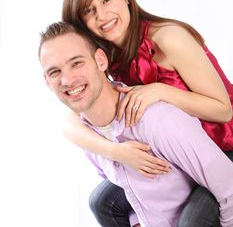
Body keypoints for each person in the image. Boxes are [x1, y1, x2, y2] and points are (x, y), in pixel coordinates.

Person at [61, 0, 233, 226]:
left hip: (223, 150)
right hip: (173, 155)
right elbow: (70, 123)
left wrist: (160, 91)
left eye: (107, 0)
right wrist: (114, 152)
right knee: (103, 202)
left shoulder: (168, 38)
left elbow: (224, 110)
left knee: (192, 221)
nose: (102, 15)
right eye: (89, 10)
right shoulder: (106, 57)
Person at [38, 21, 233, 227]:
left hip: (224, 148)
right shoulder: (90, 139)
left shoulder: (158, 122)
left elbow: (229, 187)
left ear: (101, 60)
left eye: (77, 63)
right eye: (55, 72)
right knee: (100, 202)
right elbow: (131, 190)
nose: (67, 80)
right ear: (47, 81)